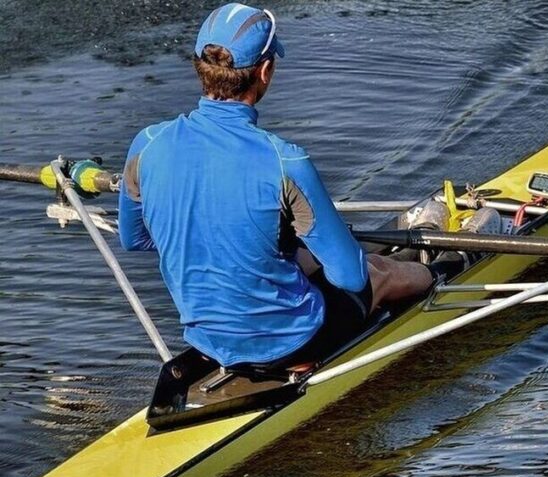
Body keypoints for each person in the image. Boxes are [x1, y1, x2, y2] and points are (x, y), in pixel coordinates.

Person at [118, 3, 453, 369]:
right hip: (293, 344)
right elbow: (351, 277)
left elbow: (134, 239)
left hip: (208, 341)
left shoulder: (146, 145)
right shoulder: (284, 162)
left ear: (200, 67)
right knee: (375, 271)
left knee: (298, 257)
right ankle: (447, 271)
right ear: (264, 71)